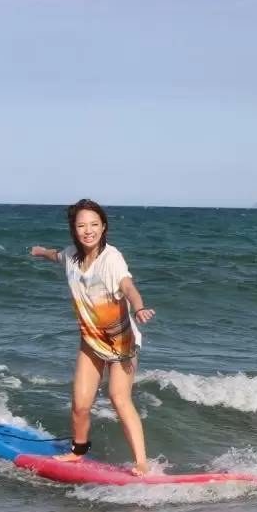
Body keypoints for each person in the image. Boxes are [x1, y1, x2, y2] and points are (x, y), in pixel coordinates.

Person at [30, 199, 156, 475]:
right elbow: (57, 256)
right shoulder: (72, 256)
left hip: (122, 343)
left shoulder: (111, 259)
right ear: (74, 230)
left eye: (94, 225)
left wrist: (140, 308)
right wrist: (40, 252)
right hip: (90, 341)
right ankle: (78, 453)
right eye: (81, 225)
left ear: (104, 227)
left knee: (119, 398)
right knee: (80, 404)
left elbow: (128, 285)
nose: (88, 230)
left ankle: (142, 464)